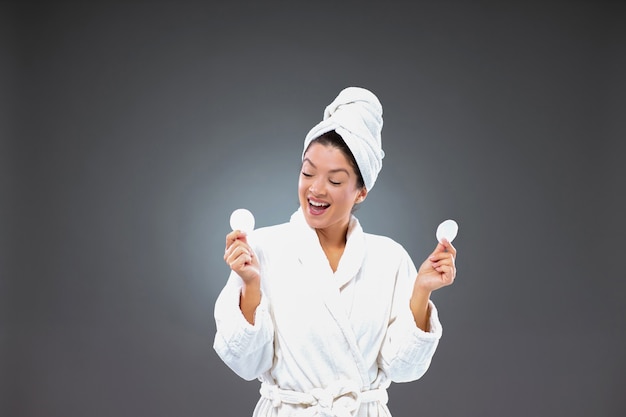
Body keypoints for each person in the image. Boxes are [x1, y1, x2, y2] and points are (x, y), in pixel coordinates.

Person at [214, 86, 457, 417]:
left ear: (361, 192)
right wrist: (250, 286)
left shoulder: (390, 258)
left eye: (335, 180)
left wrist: (422, 291)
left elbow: (403, 369)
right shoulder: (261, 250)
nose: (315, 188)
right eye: (308, 172)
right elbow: (245, 362)